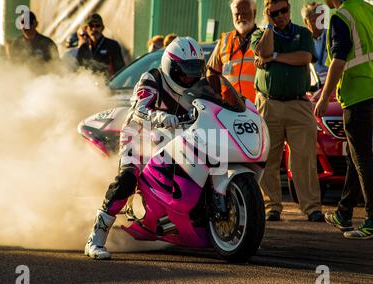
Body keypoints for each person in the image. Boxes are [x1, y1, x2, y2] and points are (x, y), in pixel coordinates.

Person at [84, 37, 206, 260]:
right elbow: (139, 109)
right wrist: (158, 115)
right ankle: (96, 238)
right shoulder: (152, 78)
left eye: (195, 69)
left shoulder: (199, 84)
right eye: (185, 70)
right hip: (138, 134)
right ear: (172, 66)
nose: (191, 76)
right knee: (128, 179)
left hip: (176, 136)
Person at [315, 0, 373, 239]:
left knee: (361, 157)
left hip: (357, 93)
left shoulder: (341, 16)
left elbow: (338, 61)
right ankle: (344, 213)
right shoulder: (371, 11)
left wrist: (325, 95)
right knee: (355, 154)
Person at [251, 0, 324, 222]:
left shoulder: (302, 33)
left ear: (289, 9)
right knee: (268, 158)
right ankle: (271, 206)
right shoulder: (260, 34)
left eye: (283, 10)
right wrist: (270, 28)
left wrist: (274, 58)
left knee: (304, 159)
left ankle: (311, 207)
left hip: (298, 104)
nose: (280, 15)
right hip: (268, 104)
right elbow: (263, 51)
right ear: (268, 13)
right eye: (275, 12)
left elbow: (305, 57)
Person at [207, 0, 258, 103]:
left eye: (244, 13)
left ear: (254, 13)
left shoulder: (263, 38)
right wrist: (217, 98)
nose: (240, 17)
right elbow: (211, 72)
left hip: (256, 109)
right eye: (236, 14)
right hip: (229, 109)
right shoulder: (224, 40)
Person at [77, 13, 125, 78]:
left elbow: (120, 71)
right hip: (88, 85)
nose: (94, 29)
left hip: (108, 85)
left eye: (97, 26)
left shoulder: (112, 45)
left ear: (102, 28)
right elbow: (79, 70)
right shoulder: (83, 48)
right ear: (86, 28)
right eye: (91, 26)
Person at [302, 2, 329, 81]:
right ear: (306, 21)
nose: (319, 25)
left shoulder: (331, 35)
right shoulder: (301, 40)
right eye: (315, 21)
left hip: (331, 80)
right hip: (313, 82)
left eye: (322, 20)